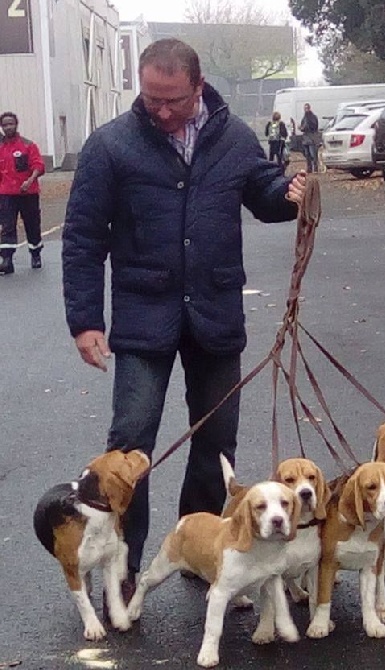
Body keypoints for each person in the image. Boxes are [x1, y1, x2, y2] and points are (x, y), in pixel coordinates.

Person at [62, 38, 307, 599]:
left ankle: (199, 552)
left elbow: (263, 193)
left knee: (216, 443)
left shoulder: (233, 137)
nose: (163, 111)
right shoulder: (111, 146)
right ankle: (122, 569)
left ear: (198, 88)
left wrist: (288, 192)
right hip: (143, 318)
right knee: (130, 450)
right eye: (152, 99)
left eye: (173, 100)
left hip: (215, 314)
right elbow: (80, 239)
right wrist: (85, 320)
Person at [0, 112, 45, 275]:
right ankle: (6, 260)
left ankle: (35, 253)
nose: (7, 127)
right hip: (6, 195)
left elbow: (38, 165)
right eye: (4, 125)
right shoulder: (1, 148)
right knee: (7, 227)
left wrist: (30, 180)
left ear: (16, 124)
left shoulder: (27, 145)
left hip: (28, 193)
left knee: (32, 225)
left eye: (10, 124)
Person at [299, 102, 319, 173]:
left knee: (313, 154)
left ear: (309, 108)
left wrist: (307, 126)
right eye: (305, 108)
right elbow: (302, 127)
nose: (306, 110)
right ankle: (309, 168)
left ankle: (315, 168)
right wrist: (301, 128)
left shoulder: (313, 117)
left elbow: (315, 126)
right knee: (307, 155)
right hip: (305, 139)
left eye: (307, 108)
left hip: (312, 138)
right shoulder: (304, 118)